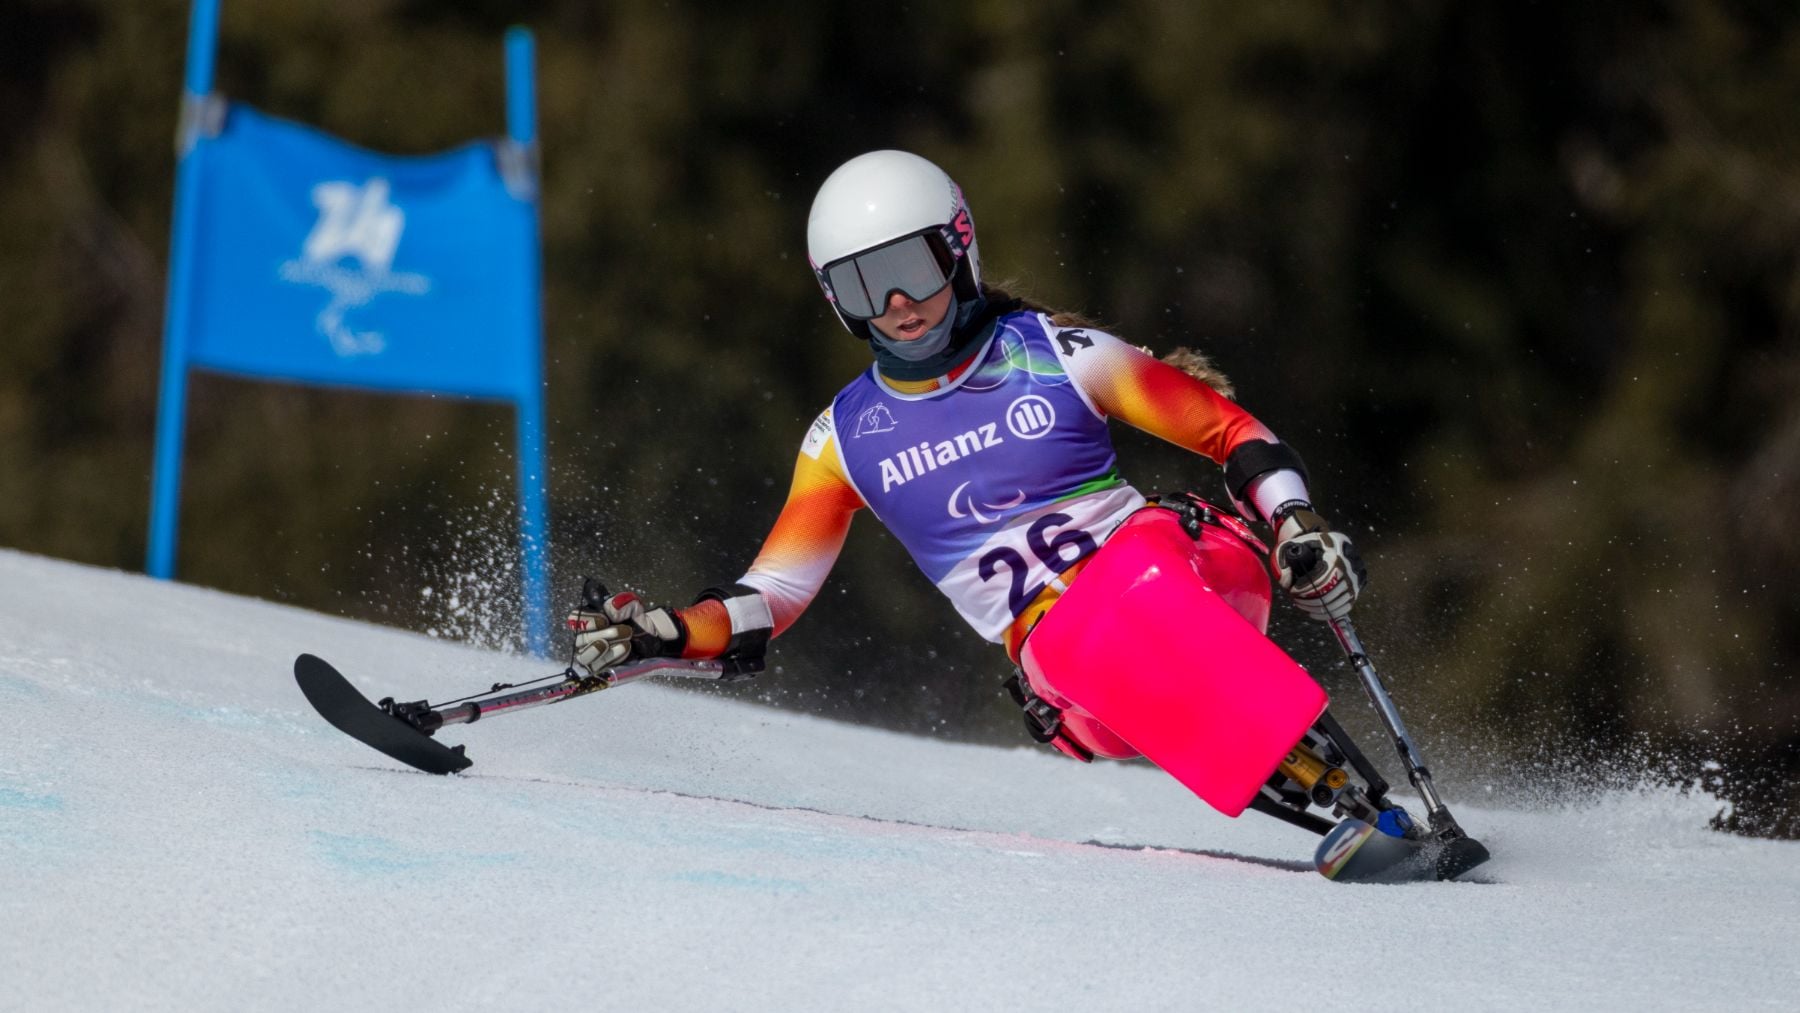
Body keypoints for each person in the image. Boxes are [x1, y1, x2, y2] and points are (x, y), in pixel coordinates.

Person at [567, 149, 1368, 813]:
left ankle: (1339, 772)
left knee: (1124, 582)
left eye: (911, 268)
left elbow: (1230, 430)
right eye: (860, 285)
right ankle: (1309, 785)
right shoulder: (843, 438)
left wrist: (1295, 520)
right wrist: (667, 632)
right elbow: (769, 598)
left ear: (957, 247)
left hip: (1186, 573)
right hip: (1078, 672)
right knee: (1066, 648)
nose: (897, 304)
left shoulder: (1054, 351)